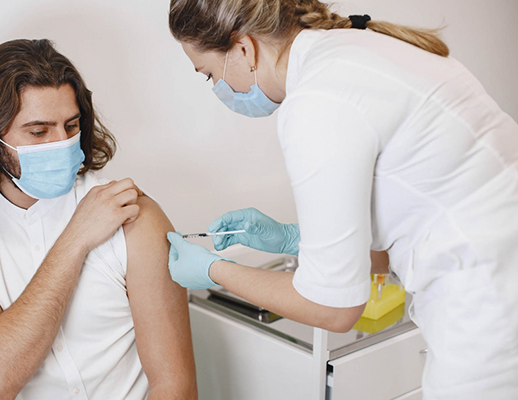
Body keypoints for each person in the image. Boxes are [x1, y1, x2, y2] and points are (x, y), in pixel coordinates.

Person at [165, 0, 518, 399]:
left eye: (209, 74)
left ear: (244, 49)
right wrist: (292, 239)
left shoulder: (318, 100)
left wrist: (214, 270)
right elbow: (388, 244)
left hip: (488, 307)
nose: (218, 87)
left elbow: (333, 308)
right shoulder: (357, 49)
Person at [0, 39, 197, 400]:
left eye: (71, 125)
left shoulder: (131, 214)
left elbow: (174, 385)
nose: (62, 142)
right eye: (39, 131)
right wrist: (76, 239)